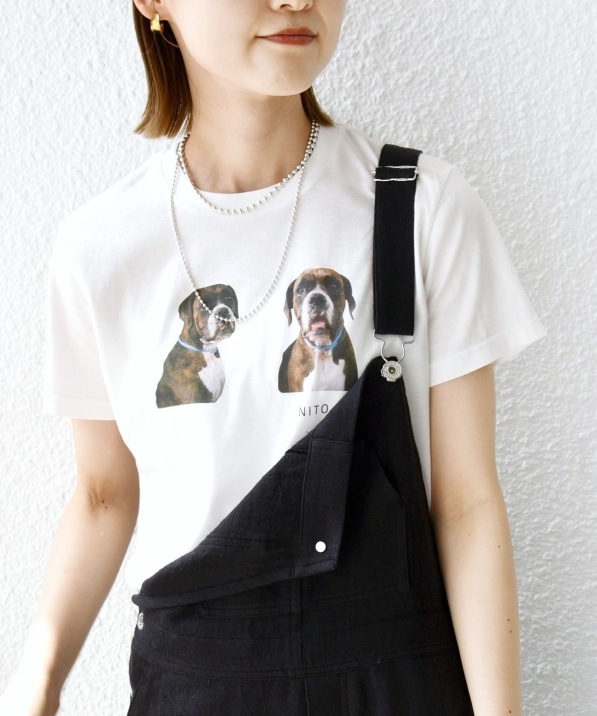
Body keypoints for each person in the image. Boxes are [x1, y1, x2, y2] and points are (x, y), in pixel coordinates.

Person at [1, 0, 545, 714]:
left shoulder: (419, 207)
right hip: (191, 684)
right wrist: (40, 676)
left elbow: (466, 503)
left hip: (388, 681)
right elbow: (104, 495)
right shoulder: (100, 247)